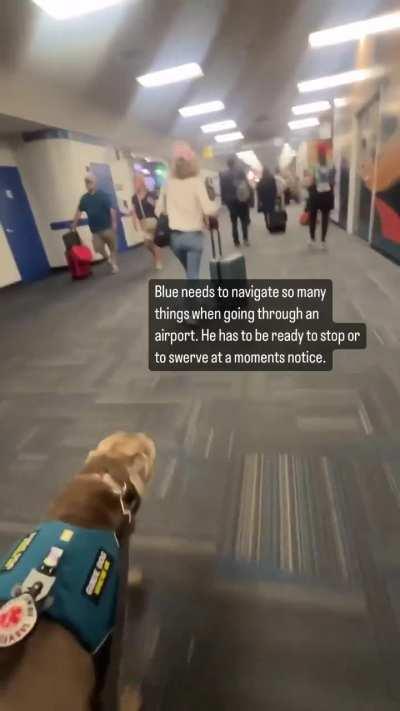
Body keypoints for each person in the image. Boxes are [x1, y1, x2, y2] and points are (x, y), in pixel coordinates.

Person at [156, 142, 217, 280]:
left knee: (190, 272)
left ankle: (197, 296)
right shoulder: (196, 182)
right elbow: (209, 209)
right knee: (192, 275)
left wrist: (172, 212)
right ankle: (192, 300)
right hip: (193, 237)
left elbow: (158, 210)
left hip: (175, 239)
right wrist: (214, 207)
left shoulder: (167, 183)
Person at [72, 174, 119, 274]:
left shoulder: (103, 195)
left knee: (112, 247)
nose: (88, 184)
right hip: (95, 231)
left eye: (90, 182)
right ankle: (108, 258)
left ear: (95, 182)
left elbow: (111, 210)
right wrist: (74, 225)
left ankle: (114, 266)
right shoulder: (84, 199)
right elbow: (78, 212)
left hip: (107, 227)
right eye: (87, 183)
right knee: (98, 248)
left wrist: (114, 223)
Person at [131, 173, 162, 271]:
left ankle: (158, 261)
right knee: (147, 243)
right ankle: (156, 256)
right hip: (143, 223)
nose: (134, 184)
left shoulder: (150, 194)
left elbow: (157, 207)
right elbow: (134, 211)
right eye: (134, 182)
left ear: (142, 183)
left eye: (136, 182)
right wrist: (134, 221)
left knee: (155, 242)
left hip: (153, 220)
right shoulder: (134, 198)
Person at [220, 156, 251, 247]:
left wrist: (223, 201)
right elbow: (246, 185)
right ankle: (245, 240)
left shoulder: (223, 174)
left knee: (234, 222)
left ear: (227, 164)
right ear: (235, 163)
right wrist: (248, 198)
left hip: (231, 201)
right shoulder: (240, 172)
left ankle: (236, 242)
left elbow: (223, 189)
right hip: (241, 200)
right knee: (243, 221)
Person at [307, 150, 335, 249]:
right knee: (325, 218)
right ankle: (323, 241)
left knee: (313, 217)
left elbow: (311, 181)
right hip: (327, 195)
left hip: (316, 195)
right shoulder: (331, 167)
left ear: (318, 157)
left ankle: (312, 238)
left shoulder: (314, 167)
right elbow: (332, 182)